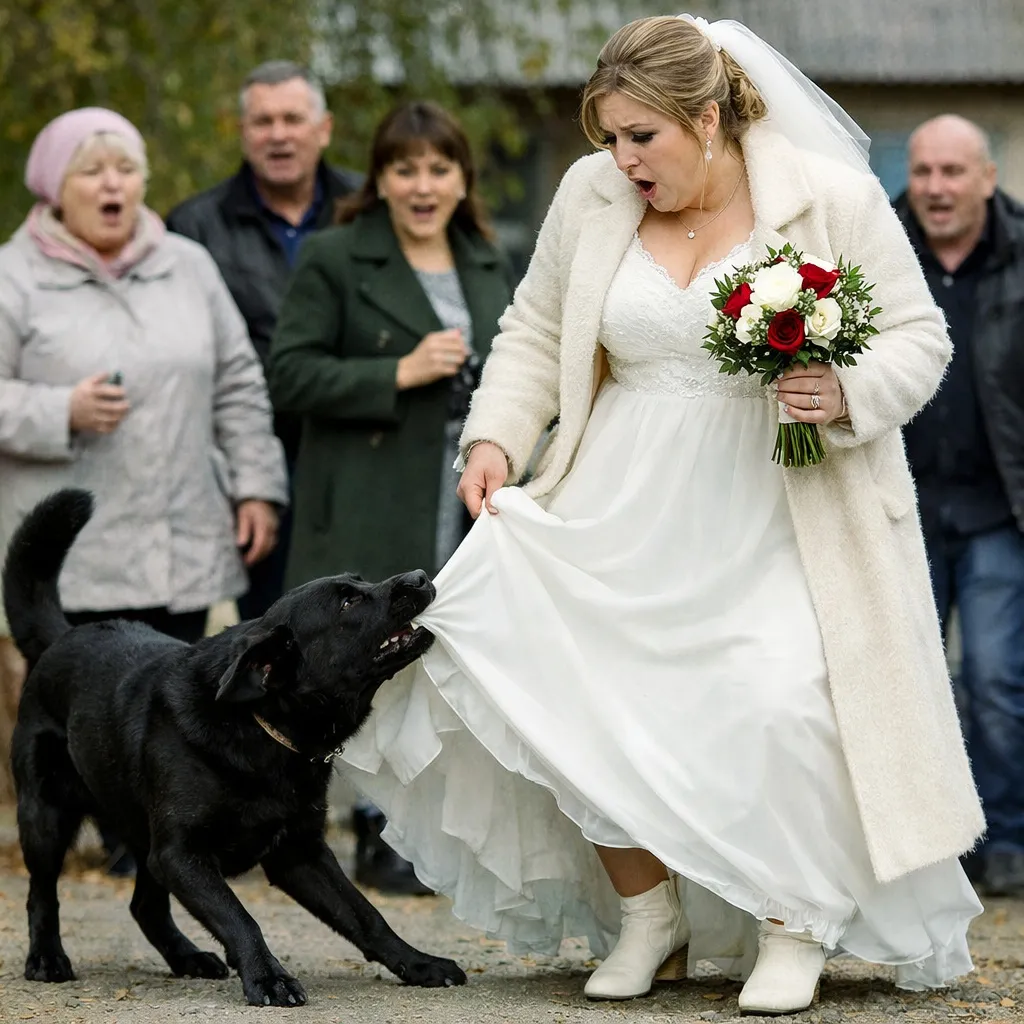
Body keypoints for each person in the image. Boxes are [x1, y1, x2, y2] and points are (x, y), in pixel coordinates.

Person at [336, 16, 985, 1016]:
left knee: (779, 703)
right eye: (608, 137)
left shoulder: (831, 199)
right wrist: (495, 439)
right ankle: (648, 914)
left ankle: (793, 918)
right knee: (574, 692)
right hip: (619, 489)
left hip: (783, 498)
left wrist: (843, 389)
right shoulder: (589, 198)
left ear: (709, 116)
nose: (621, 159)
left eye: (642, 136)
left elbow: (918, 335)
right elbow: (536, 327)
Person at [0, 107, 288, 869]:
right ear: (54, 188)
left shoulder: (188, 265)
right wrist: (57, 409)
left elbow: (237, 383)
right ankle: (103, 829)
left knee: (176, 695)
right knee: (92, 704)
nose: (112, 184)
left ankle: (166, 829)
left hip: (181, 526)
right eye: (91, 171)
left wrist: (257, 486)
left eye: (125, 169)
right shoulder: (14, 274)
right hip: (77, 544)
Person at [268, 100, 514, 895]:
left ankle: (436, 836)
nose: (422, 185)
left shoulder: (482, 255)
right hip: (372, 495)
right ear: (378, 179)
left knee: (444, 666)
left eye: (439, 169)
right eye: (404, 168)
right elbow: (290, 373)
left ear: (461, 180)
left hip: (467, 494)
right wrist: (396, 372)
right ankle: (371, 831)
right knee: (363, 667)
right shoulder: (337, 256)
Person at [165, 61, 360, 619]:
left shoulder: (369, 208)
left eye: (293, 119)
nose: (278, 134)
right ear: (243, 132)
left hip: (353, 448)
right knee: (270, 626)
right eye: (263, 121)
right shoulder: (193, 227)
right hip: (248, 461)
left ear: (323, 129)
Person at [896, 114, 1024, 897]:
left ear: (987, 176)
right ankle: (933, 845)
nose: (937, 189)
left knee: (997, 679)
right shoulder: (873, 253)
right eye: (924, 172)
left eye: (953, 172)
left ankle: (1007, 838)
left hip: (998, 509)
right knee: (909, 681)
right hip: (899, 506)